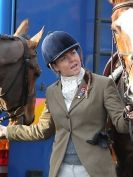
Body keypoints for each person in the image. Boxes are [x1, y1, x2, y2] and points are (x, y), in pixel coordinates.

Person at [0, 31, 133, 177]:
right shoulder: (52, 92)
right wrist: (7, 131)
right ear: (55, 67)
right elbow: (42, 131)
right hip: (60, 170)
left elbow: (121, 125)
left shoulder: (103, 84)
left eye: (73, 53)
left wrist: (128, 115)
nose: (72, 59)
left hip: (95, 170)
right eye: (64, 58)